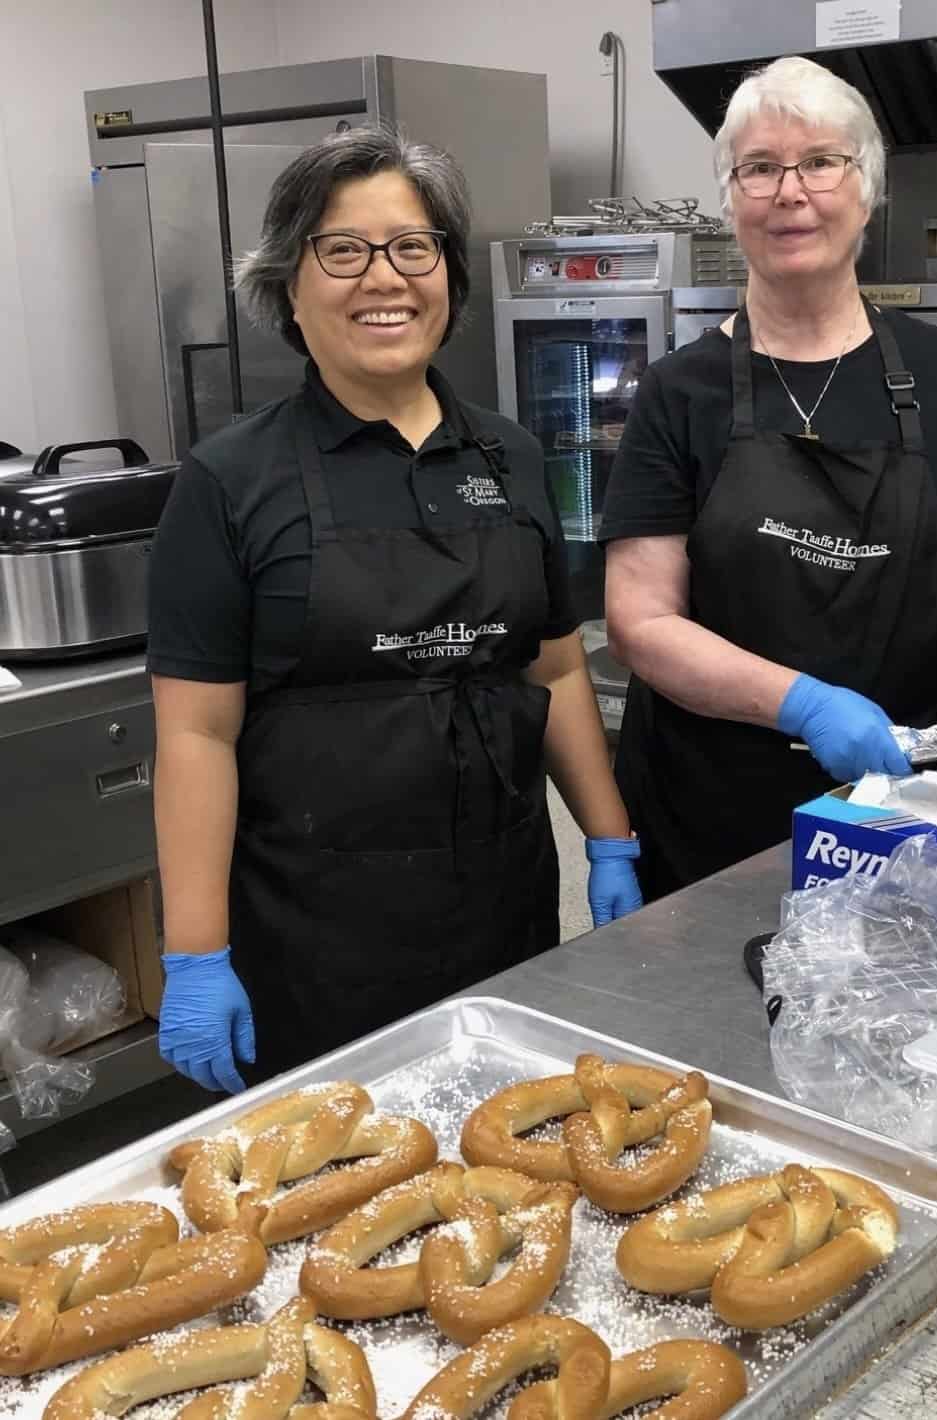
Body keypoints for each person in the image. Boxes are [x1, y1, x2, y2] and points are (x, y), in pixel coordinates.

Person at [148, 128, 642, 1092]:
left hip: (503, 907)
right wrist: (196, 955)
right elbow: (197, 735)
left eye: (413, 247)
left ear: (448, 276)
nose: (385, 277)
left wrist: (609, 836)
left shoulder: (512, 457)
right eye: (343, 250)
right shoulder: (227, 482)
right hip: (313, 932)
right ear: (288, 284)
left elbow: (553, 665)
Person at [601, 56, 937, 902]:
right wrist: (803, 703)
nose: (789, 191)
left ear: (866, 188)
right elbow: (639, 619)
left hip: (905, 794)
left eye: (820, 161)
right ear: (729, 197)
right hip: (711, 804)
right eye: (758, 167)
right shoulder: (678, 391)